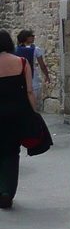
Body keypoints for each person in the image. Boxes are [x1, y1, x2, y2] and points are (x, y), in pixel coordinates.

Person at [0, 30, 40, 209]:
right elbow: (29, 90)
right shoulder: (22, 62)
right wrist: (34, 112)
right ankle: (7, 191)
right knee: (11, 154)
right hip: (16, 114)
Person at [14, 30, 52, 112]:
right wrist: (47, 76)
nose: (34, 37)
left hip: (18, 78)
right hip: (32, 77)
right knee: (32, 99)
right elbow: (42, 66)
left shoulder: (15, 50)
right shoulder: (36, 50)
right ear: (28, 38)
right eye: (32, 36)